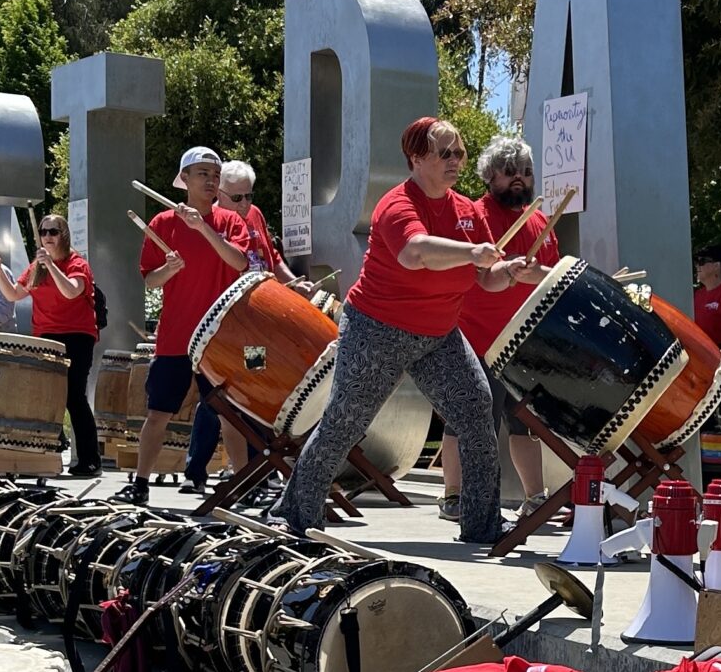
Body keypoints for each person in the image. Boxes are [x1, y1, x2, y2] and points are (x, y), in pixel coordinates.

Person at [277, 116, 542, 545]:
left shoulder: (468, 213)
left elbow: (485, 278)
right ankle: (293, 516)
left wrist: (509, 271)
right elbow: (415, 254)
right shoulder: (396, 205)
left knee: (477, 410)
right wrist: (474, 253)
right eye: (445, 153)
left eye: (460, 152)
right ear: (417, 158)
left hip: (439, 334)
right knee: (346, 421)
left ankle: (482, 525)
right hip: (377, 330)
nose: (455, 161)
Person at [123, 145, 260, 507]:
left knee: (230, 414)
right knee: (159, 413)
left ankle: (241, 483)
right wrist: (168, 269)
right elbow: (150, 280)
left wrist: (204, 229)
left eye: (215, 175)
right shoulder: (162, 224)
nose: (211, 180)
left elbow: (239, 262)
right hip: (176, 336)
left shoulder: (231, 222)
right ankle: (140, 483)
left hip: (219, 337)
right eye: (203, 173)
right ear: (184, 179)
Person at [441, 134, 561, 520]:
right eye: (509, 172)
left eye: (525, 172)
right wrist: (508, 272)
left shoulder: (540, 219)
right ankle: (454, 497)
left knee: (523, 421)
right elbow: (477, 274)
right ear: (489, 175)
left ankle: (534, 497)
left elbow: (551, 274)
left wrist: (526, 273)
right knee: (469, 418)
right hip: (475, 336)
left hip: (523, 341)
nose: (519, 179)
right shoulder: (473, 216)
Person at [183, 159, 289, 489]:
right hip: (225, 324)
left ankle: (259, 469)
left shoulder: (253, 216)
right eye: (237, 197)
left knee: (253, 387)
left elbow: (273, 258)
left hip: (256, 323)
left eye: (249, 196)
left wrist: (292, 282)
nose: (245, 204)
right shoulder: (213, 222)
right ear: (220, 195)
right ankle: (198, 469)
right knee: (217, 395)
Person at [0, 212, 102, 476]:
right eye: (43, 232)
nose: (47, 236)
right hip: (47, 335)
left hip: (77, 335)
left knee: (74, 396)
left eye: (53, 231)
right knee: (46, 395)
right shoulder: (36, 266)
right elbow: (14, 294)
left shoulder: (77, 263)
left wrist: (51, 265)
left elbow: (72, 291)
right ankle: (52, 447)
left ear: (63, 235)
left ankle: (90, 458)